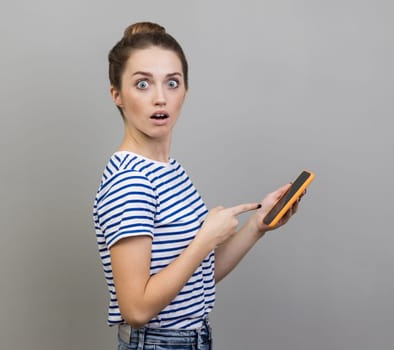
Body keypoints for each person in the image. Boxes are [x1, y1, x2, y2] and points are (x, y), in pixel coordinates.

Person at [93, 21, 304, 350]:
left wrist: (256, 227)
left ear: (185, 92)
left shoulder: (169, 171)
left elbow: (195, 277)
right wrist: (204, 239)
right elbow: (135, 309)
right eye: (143, 84)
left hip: (190, 339)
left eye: (172, 83)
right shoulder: (130, 181)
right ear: (117, 95)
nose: (160, 98)